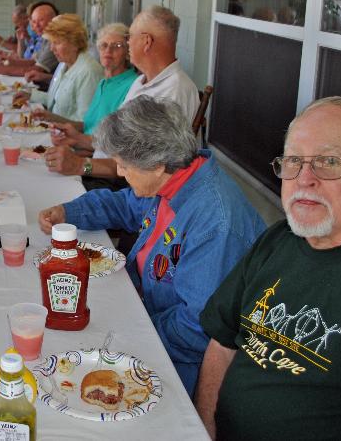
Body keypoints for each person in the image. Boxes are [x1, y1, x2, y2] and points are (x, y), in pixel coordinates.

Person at [195, 96, 341, 440]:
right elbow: (222, 342)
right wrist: (202, 430)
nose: (304, 179)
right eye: (293, 162)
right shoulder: (278, 239)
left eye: (328, 162)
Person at [38, 96, 265, 395]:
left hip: (179, 360)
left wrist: (132, 330)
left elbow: (197, 328)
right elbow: (124, 205)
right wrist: (70, 212)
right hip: (142, 311)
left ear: (156, 165)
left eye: (123, 165)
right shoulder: (176, 176)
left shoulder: (215, 223)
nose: (119, 173)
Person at [44, 5, 200, 179]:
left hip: (121, 189)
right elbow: (119, 143)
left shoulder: (172, 92)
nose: (127, 44)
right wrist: (78, 139)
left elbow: (138, 172)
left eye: (129, 37)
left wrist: (80, 166)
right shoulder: (142, 82)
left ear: (146, 42)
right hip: (100, 172)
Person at [33, 22, 137, 133]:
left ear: (128, 52)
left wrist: (74, 144)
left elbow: (112, 143)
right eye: (104, 45)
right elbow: (88, 126)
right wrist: (51, 118)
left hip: (89, 149)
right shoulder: (104, 82)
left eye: (117, 46)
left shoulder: (132, 85)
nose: (108, 51)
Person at [13, 14, 103, 121]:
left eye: (57, 42)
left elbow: (85, 122)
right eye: (51, 42)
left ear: (75, 43)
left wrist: (51, 118)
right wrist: (30, 95)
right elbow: (55, 101)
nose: (52, 48)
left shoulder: (89, 72)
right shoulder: (64, 64)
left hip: (69, 135)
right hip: (55, 129)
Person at [0, 2, 60, 86]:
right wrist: (9, 62)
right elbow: (33, 61)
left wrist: (4, 70)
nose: (35, 26)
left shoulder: (53, 39)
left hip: (44, 87)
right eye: (33, 21)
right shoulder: (44, 37)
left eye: (41, 20)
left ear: (53, 20)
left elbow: (36, 69)